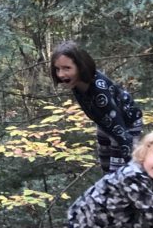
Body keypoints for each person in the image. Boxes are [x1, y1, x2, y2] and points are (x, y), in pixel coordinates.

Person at [50, 41, 143, 174]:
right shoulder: (77, 84)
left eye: (66, 68)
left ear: (80, 67)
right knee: (105, 159)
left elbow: (123, 135)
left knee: (118, 170)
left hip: (126, 123)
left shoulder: (100, 93)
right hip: (105, 121)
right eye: (58, 69)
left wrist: (134, 169)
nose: (61, 74)